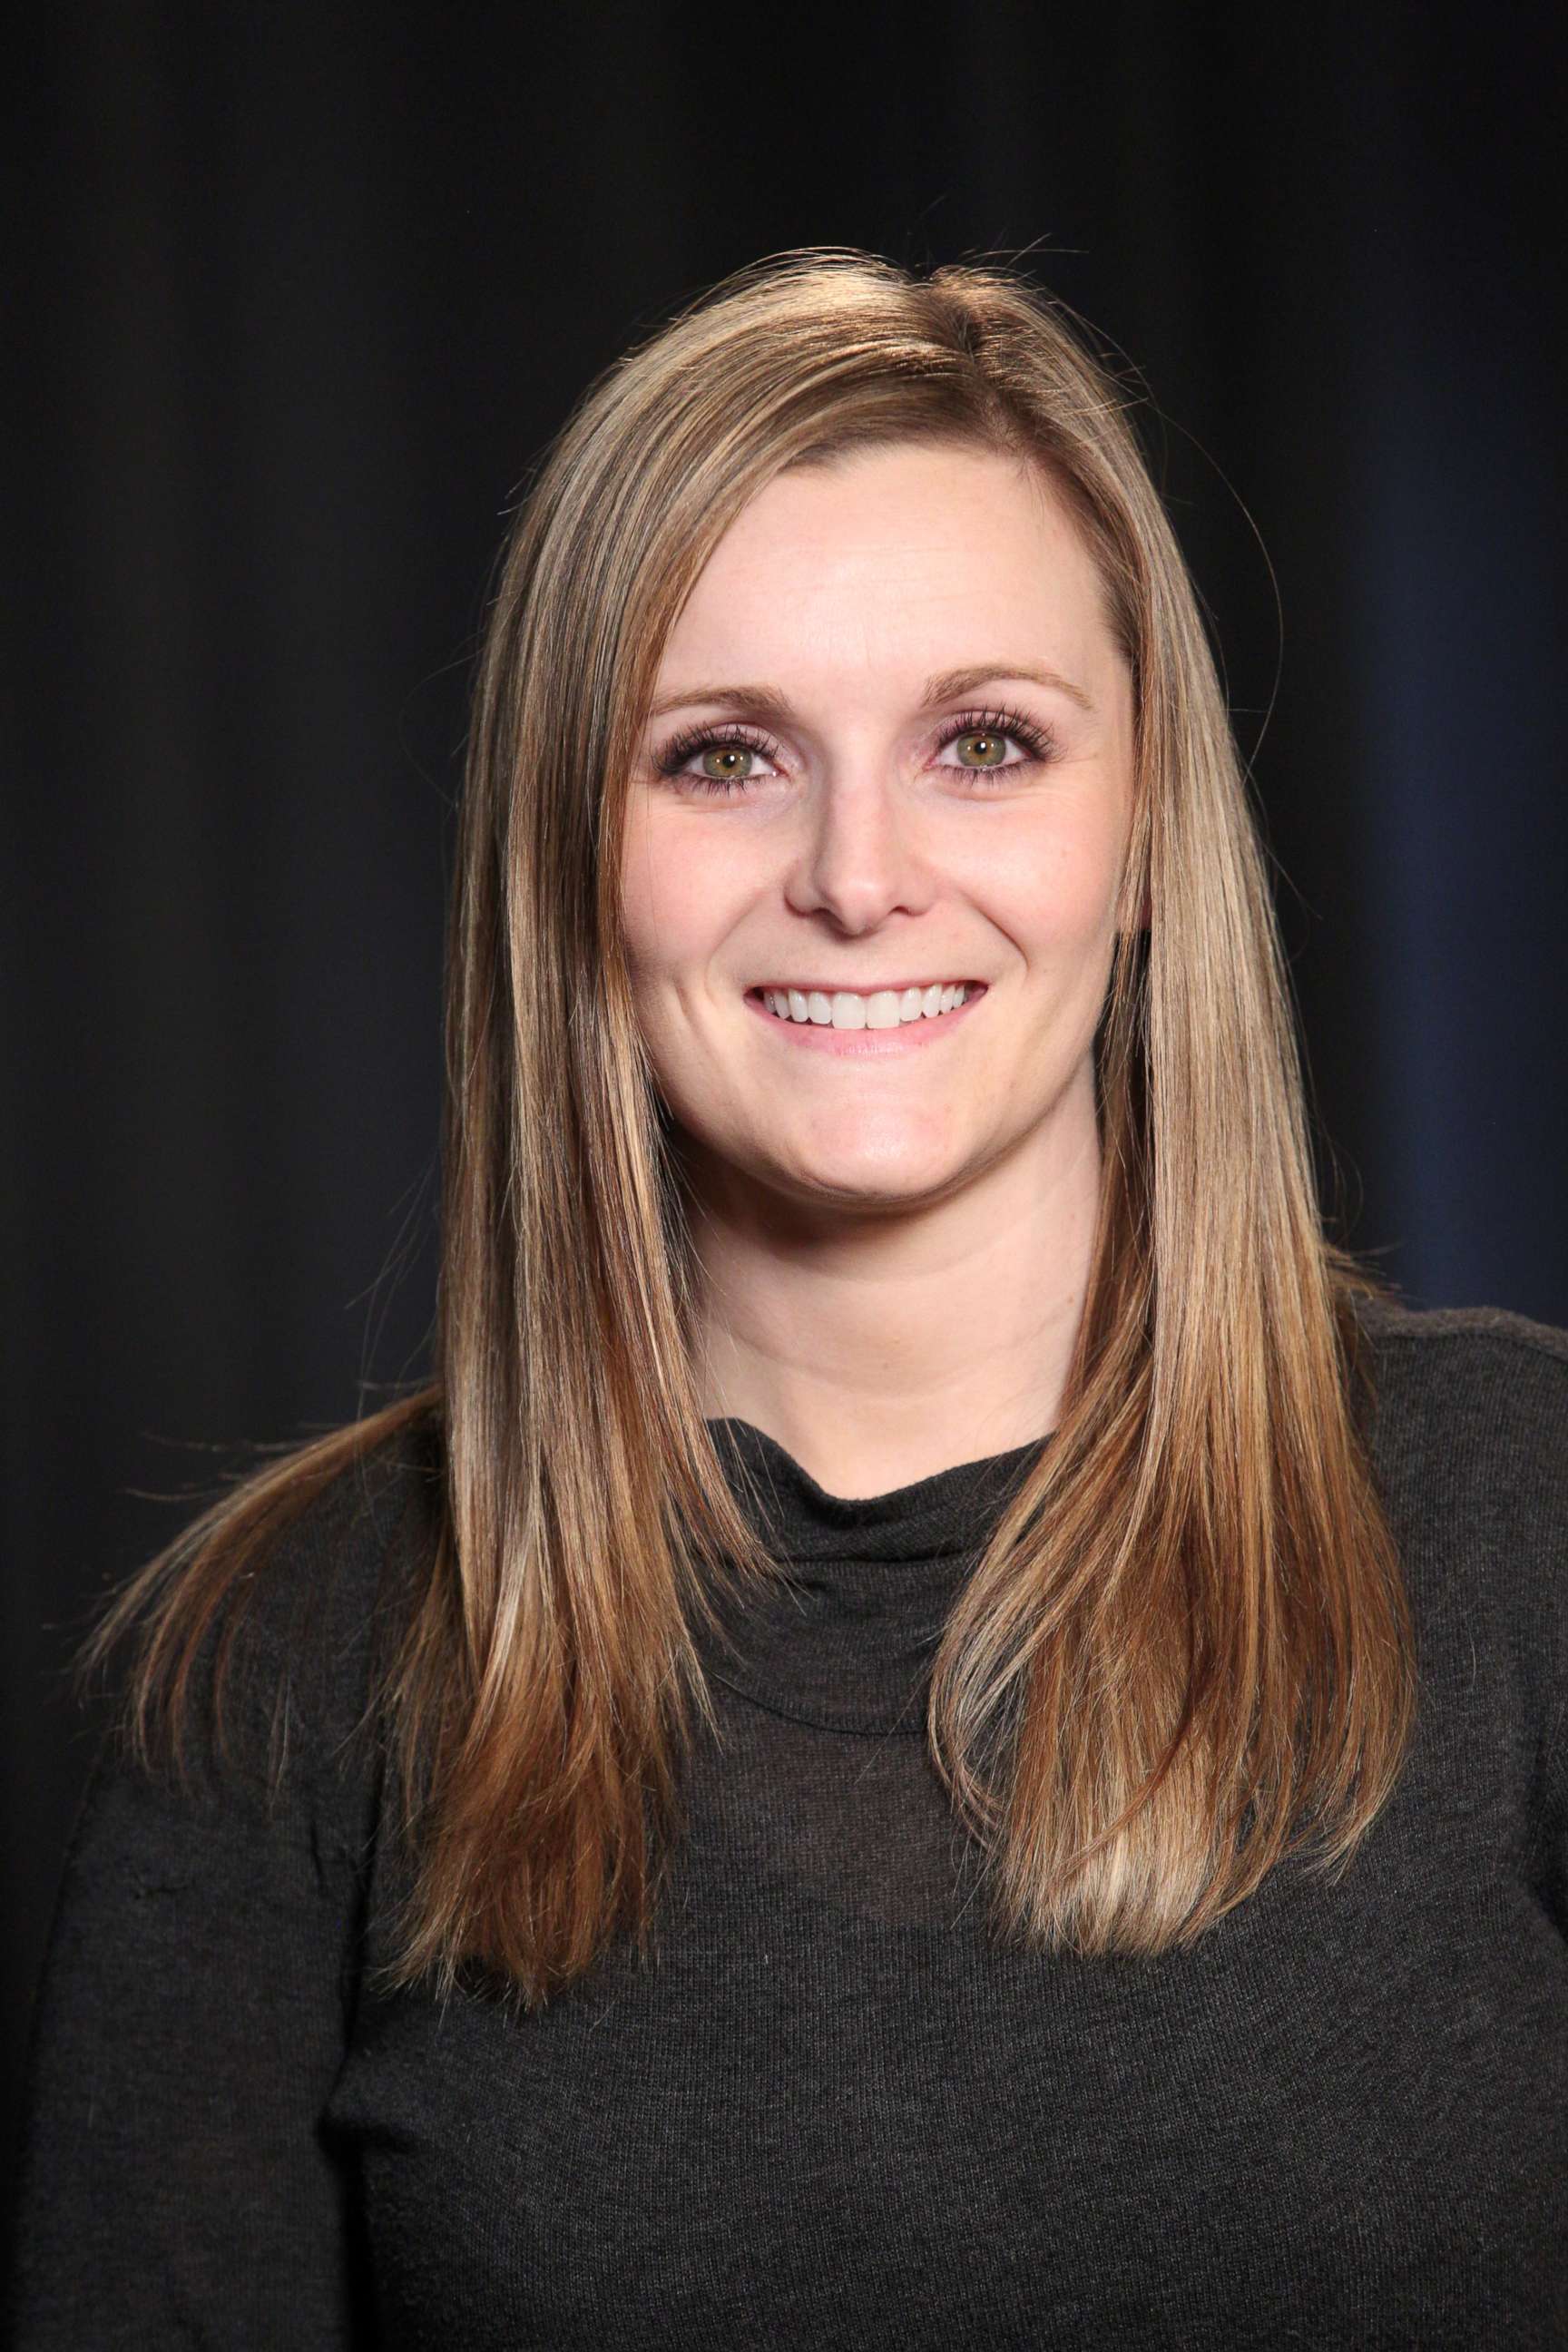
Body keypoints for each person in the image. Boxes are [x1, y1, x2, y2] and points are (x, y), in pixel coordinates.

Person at [9, 247, 1567, 2347]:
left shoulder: (1523, 1522)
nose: (858, 871)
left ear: (1150, 823)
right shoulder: (284, 1667)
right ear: (570, 848)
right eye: (725, 756)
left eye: (988, 742)